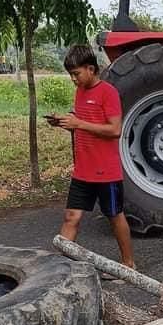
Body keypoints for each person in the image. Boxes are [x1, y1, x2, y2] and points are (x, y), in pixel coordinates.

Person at [47, 44, 135, 268]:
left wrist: (79, 123)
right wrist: (66, 123)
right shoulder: (80, 91)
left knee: (115, 217)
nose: (73, 80)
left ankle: (129, 265)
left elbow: (115, 130)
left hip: (106, 172)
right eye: (71, 75)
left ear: (90, 68)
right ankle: (59, 270)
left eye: (76, 74)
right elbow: (83, 124)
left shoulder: (108, 92)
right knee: (71, 217)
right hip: (82, 171)